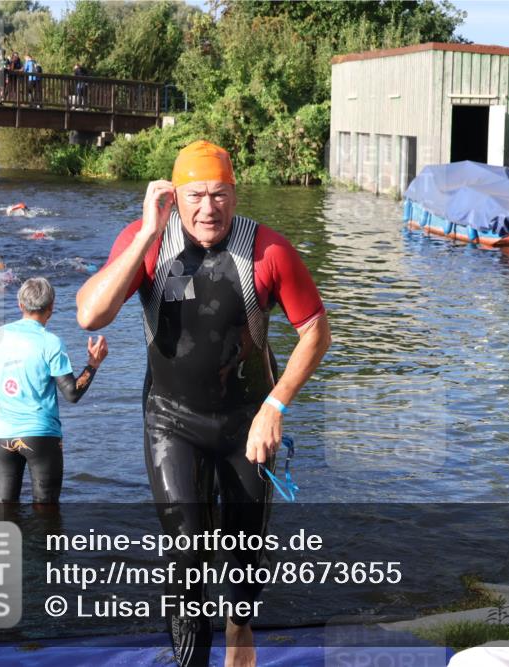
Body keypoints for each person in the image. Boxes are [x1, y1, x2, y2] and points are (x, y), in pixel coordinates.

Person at [76, 141, 331, 667]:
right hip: (172, 420)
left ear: (235, 195)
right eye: (195, 196)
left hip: (248, 421)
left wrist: (275, 406)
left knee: (243, 550)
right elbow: (90, 316)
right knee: (186, 553)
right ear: (174, 195)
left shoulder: (267, 251)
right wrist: (147, 229)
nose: (207, 209)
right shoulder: (148, 243)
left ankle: (240, 626)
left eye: (219, 195)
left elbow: (316, 333)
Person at [0, 277, 108, 504]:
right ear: (51, 308)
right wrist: (93, 365)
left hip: (4, 434)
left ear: (20, 305)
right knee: (47, 513)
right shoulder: (51, 342)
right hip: (41, 436)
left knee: (3, 512)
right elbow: (72, 393)